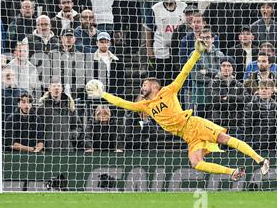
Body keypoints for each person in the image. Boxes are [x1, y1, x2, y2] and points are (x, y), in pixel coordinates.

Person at [86, 39, 270, 181]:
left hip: (194, 124)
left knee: (225, 139)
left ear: (154, 86)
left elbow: (184, 71)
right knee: (196, 164)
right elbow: (122, 103)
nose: (142, 87)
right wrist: (103, 94)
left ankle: (260, 160)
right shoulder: (145, 105)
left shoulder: (168, 91)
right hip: (187, 136)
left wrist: (197, 54)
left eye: (145, 84)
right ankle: (233, 172)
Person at [244, 79, 277, 151]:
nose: (264, 90)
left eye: (266, 88)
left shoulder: (275, 106)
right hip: (255, 146)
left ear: (272, 91)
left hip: (271, 147)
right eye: (261, 88)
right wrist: (251, 145)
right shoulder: (252, 105)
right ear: (258, 91)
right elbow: (246, 127)